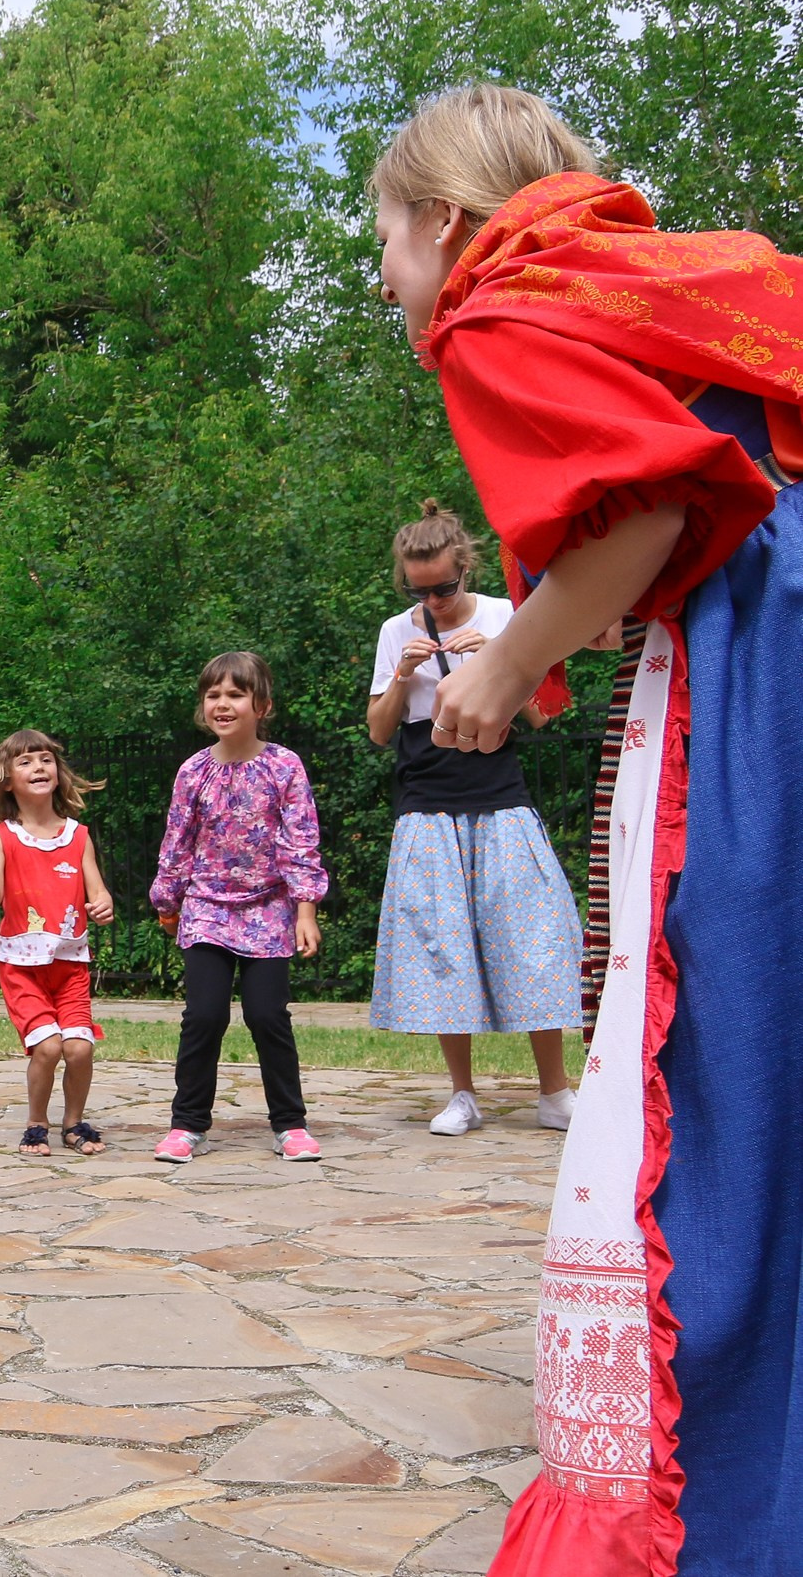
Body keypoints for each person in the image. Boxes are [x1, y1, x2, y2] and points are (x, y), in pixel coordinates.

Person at [369, 84, 803, 1573]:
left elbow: (653, 519)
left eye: (385, 238)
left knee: (719, 1071)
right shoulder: (698, 281)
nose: (386, 280)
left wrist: (497, 665)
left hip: (757, 689)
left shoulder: (502, 313)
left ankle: (729, 1504)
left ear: (445, 221)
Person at [363, 502, 579, 1137]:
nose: (434, 599)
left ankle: (554, 1092)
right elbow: (380, 732)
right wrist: (403, 675)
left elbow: (543, 715)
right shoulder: (395, 630)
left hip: (500, 798)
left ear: (466, 568)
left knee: (531, 943)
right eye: (419, 589)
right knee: (442, 950)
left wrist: (503, 658)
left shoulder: (507, 615)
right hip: (428, 808)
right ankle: (462, 1095)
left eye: (445, 587)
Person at [146, 653, 328, 1164]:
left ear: (261, 705)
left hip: (269, 909)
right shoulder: (193, 771)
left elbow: (301, 841)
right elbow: (177, 841)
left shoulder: (284, 766)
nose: (222, 704)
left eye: (235, 694)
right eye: (213, 695)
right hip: (205, 906)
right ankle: (187, 1125)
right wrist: (168, 900)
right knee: (203, 1016)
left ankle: (290, 1125)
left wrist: (305, 910)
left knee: (267, 1014)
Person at [0, 730, 114, 1157]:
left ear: (58, 773)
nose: (38, 767)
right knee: (48, 1048)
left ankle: (74, 1123)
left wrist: (102, 904)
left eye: (45, 759)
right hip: (21, 966)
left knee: (79, 1048)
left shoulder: (78, 835)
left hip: (71, 964)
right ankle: (35, 1123)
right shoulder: (4, 837)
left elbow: (98, 892)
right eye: (25, 762)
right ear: (7, 780)